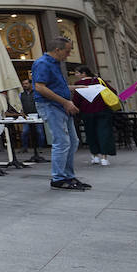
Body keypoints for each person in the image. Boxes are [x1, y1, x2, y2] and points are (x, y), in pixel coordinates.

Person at [31, 36, 89, 191]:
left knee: (72, 141)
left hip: (60, 106)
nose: (68, 54)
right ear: (57, 50)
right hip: (51, 106)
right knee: (62, 141)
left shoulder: (54, 63)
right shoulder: (42, 63)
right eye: (67, 51)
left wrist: (75, 89)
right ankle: (58, 178)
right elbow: (40, 87)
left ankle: (68, 176)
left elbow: (53, 86)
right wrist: (66, 102)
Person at [72, 65, 117, 167]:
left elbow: (76, 101)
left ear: (83, 73)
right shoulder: (99, 81)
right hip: (103, 111)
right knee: (104, 132)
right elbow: (113, 92)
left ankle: (95, 156)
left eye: (77, 73)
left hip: (87, 112)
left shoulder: (78, 84)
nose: (75, 75)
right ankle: (104, 158)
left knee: (90, 133)